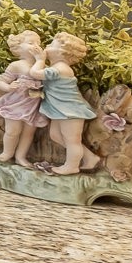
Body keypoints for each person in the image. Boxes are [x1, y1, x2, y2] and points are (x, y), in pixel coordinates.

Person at [40, 31, 101, 175]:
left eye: (51, 45)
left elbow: (35, 73)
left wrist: (39, 59)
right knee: (55, 135)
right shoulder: (56, 67)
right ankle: (90, 158)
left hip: (71, 111)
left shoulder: (61, 68)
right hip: (60, 110)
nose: (46, 46)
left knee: (72, 140)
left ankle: (72, 166)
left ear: (62, 53)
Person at [0, 30, 48, 164]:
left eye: (38, 43)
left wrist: (41, 61)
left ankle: (21, 157)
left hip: (34, 106)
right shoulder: (16, 65)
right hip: (16, 104)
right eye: (30, 43)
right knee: (12, 131)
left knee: (28, 133)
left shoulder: (42, 65)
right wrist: (8, 87)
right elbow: (0, 81)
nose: (36, 46)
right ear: (18, 48)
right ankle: (7, 153)